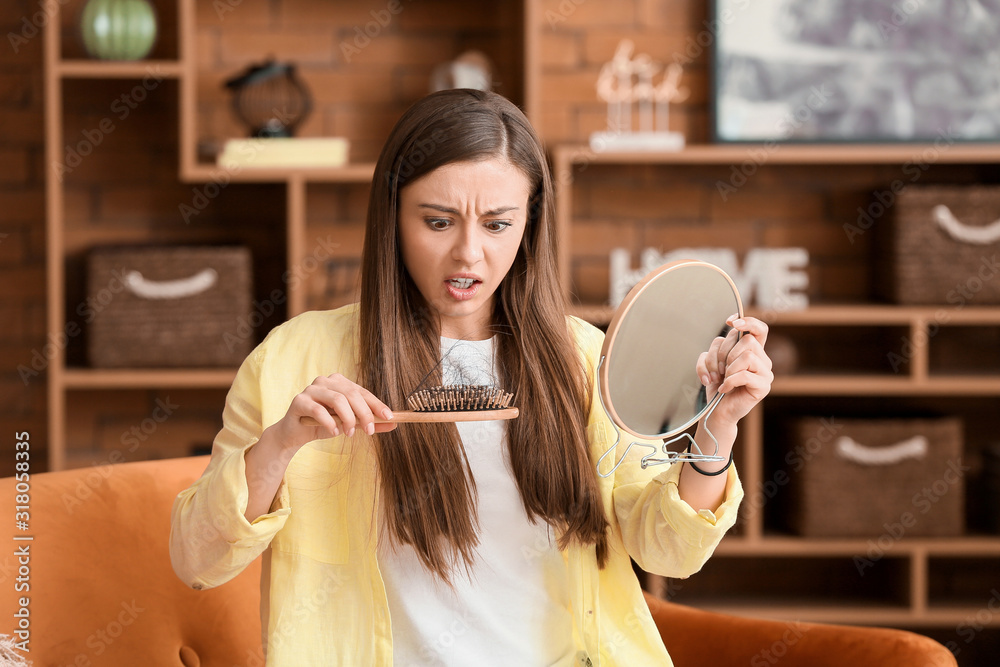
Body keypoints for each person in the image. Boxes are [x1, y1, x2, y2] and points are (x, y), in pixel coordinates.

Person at [169, 88, 773, 666]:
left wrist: (717, 424)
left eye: (497, 224)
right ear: (392, 217)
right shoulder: (293, 358)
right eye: (437, 222)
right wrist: (279, 444)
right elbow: (198, 560)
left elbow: (666, 548)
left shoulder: (586, 361)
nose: (468, 254)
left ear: (530, 224)